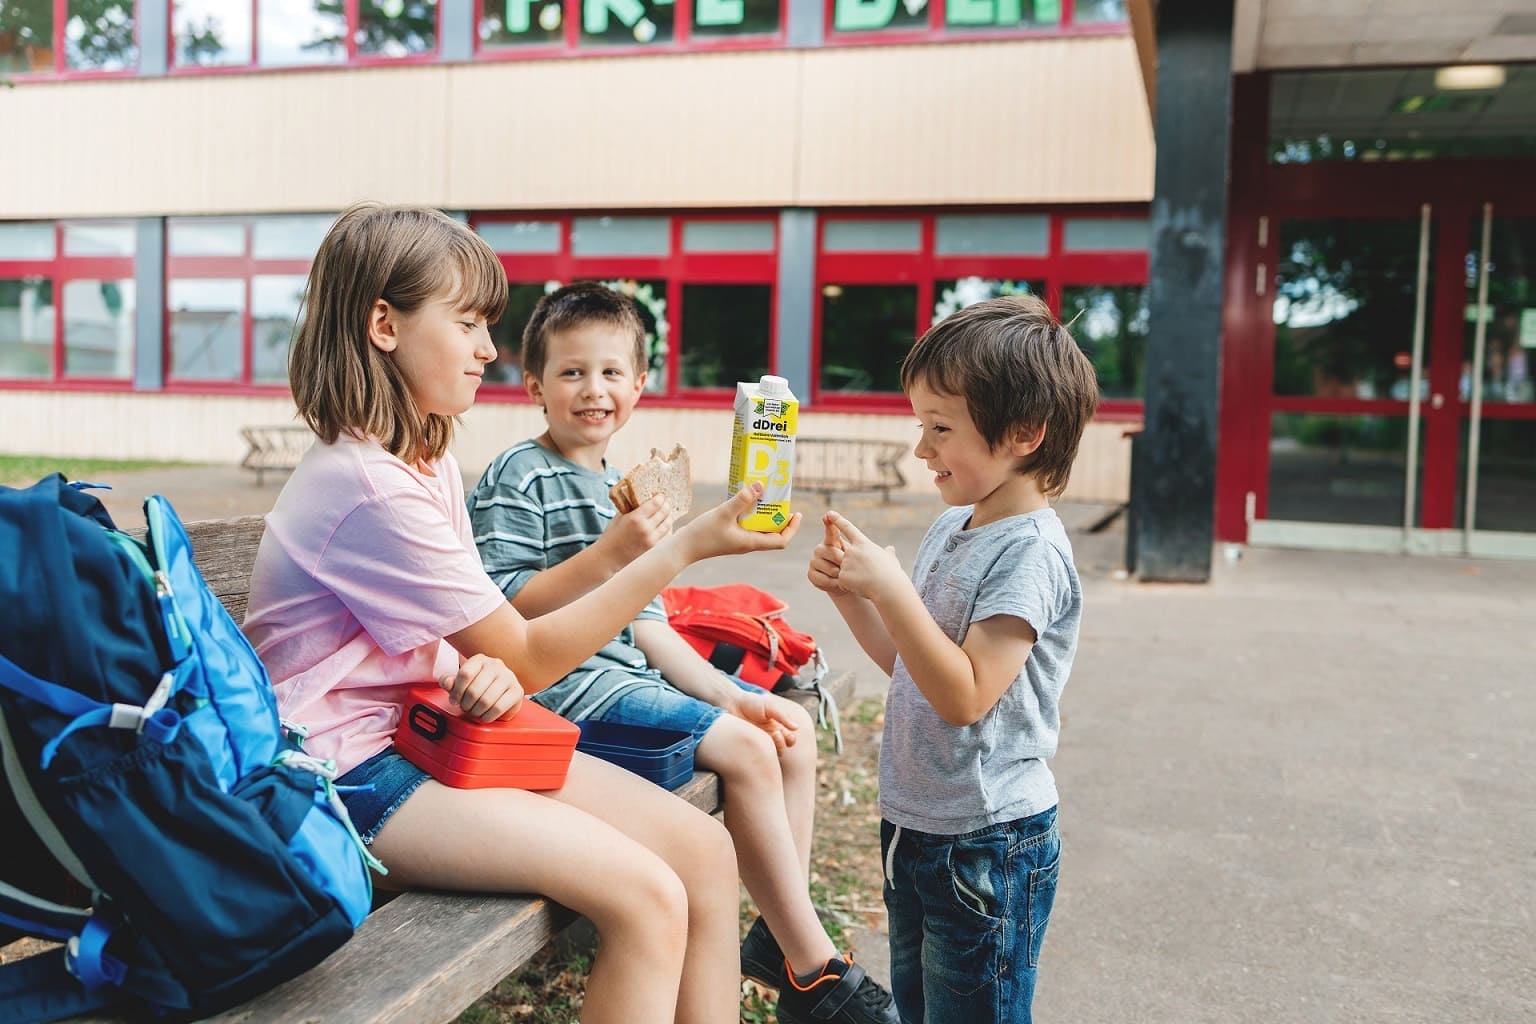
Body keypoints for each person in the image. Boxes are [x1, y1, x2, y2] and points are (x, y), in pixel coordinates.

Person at [242, 202, 804, 1024]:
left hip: (434, 730)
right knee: (646, 896)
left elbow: (490, 648)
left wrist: (482, 670)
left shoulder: (424, 455)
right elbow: (529, 651)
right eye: (467, 321)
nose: (487, 349)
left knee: (705, 853)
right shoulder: (366, 483)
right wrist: (680, 548)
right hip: (345, 774)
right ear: (383, 324)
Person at [467, 282, 899, 1024]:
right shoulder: (519, 473)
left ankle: (775, 936)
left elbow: (651, 626)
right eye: (571, 373)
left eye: (610, 373)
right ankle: (813, 967)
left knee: (783, 736)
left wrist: (732, 695)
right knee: (750, 753)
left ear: (639, 385)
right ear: (535, 386)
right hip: (565, 697)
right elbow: (502, 607)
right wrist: (610, 555)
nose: (592, 390)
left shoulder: (623, 485)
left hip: (627, 687)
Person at [807, 294, 1098, 1024]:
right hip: (919, 828)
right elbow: (916, 671)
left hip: (988, 844)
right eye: (920, 426)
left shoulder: (1031, 554)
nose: (921, 449)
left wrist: (893, 588)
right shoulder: (952, 525)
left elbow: (967, 695)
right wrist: (854, 596)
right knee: (920, 1009)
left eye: (940, 429)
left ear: (1025, 433)